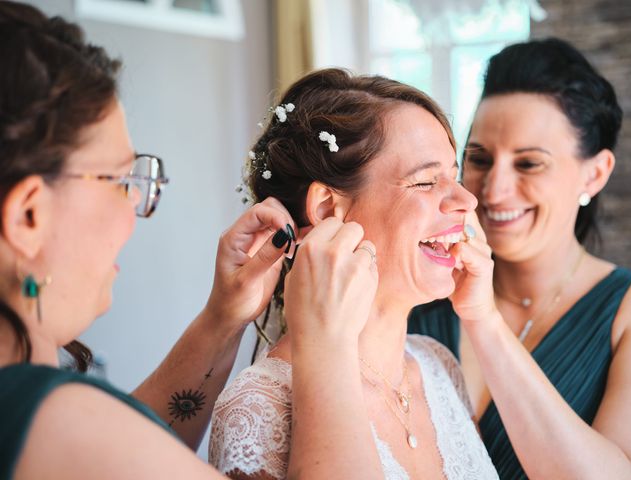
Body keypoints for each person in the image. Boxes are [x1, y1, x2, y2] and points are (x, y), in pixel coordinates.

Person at [0, 3, 385, 479]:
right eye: (121, 181)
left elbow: (131, 445)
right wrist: (327, 347)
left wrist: (223, 318)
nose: (135, 211)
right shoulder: (53, 422)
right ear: (28, 215)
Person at [208, 68, 500, 480]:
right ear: (328, 209)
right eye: (425, 181)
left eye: (454, 177)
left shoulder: (438, 366)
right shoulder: (259, 407)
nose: (468, 200)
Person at [409, 38, 631, 479]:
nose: (493, 191)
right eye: (478, 159)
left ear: (595, 173)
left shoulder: (630, 310)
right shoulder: (418, 290)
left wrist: (483, 320)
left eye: (529, 164)